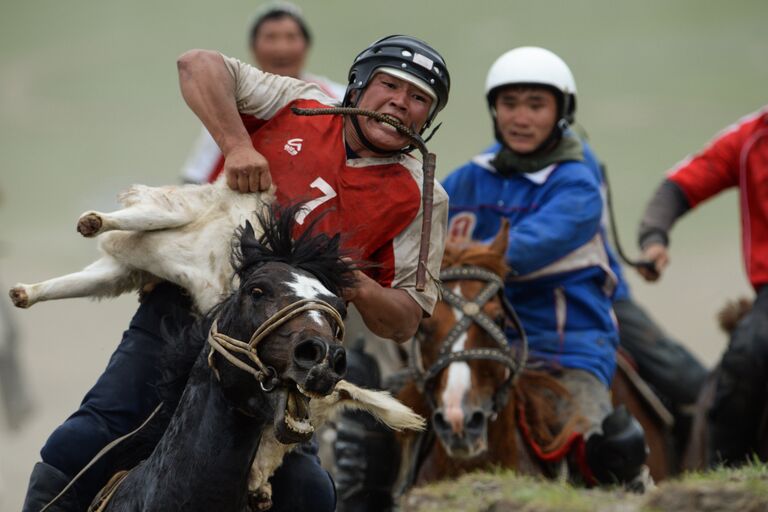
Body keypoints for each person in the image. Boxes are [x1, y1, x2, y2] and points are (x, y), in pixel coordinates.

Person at [21, 34, 450, 512]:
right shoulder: (299, 102)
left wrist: (353, 282)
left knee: (310, 493)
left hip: (290, 355)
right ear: (358, 84)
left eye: (418, 98)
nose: (400, 103)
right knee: (85, 440)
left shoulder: (424, 196)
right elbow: (196, 64)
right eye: (389, 85)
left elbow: (405, 319)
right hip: (185, 309)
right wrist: (237, 146)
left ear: (427, 118)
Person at [442, 46, 648, 486]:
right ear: (493, 109)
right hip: (477, 348)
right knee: (381, 422)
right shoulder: (465, 179)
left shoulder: (577, 185)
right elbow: (413, 232)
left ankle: (630, 494)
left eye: (536, 105)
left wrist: (452, 256)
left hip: (563, 348)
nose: (520, 118)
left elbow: (523, 249)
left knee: (601, 455)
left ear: (561, 112)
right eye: (509, 104)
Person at [637, 106, 768, 467]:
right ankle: (727, 470)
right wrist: (654, 236)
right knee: (746, 358)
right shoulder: (749, 138)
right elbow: (680, 185)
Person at [181, 1, 346, 185]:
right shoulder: (229, 105)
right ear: (253, 48)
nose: (281, 48)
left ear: (306, 45)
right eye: (270, 38)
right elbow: (196, 176)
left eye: (291, 37)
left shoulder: (338, 98)